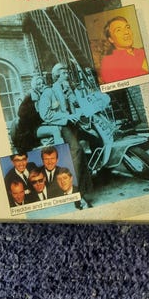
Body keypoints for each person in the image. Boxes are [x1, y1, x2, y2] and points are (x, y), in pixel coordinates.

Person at [38, 64, 92, 204]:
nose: (67, 75)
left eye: (67, 72)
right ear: (57, 76)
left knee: (94, 139)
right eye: (64, 73)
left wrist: (74, 95)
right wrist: (66, 117)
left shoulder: (68, 90)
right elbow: (45, 114)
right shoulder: (49, 92)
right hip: (61, 125)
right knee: (76, 150)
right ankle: (75, 194)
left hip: (74, 124)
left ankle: (87, 184)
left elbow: (78, 105)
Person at [11, 74, 63, 152]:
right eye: (38, 84)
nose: (41, 85)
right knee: (55, 130)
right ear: (34, 86)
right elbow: (22, 113)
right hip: (31, 129)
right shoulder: (30, 97)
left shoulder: (43, 96)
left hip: (40, 125)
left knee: (59, 127)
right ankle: (62, 152)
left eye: (43, 83)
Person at [100, 16, 149, 84]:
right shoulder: (108, 62)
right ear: (111, 39)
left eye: (127, 27)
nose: (126, 32)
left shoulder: (142, 51)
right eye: (118, 30)